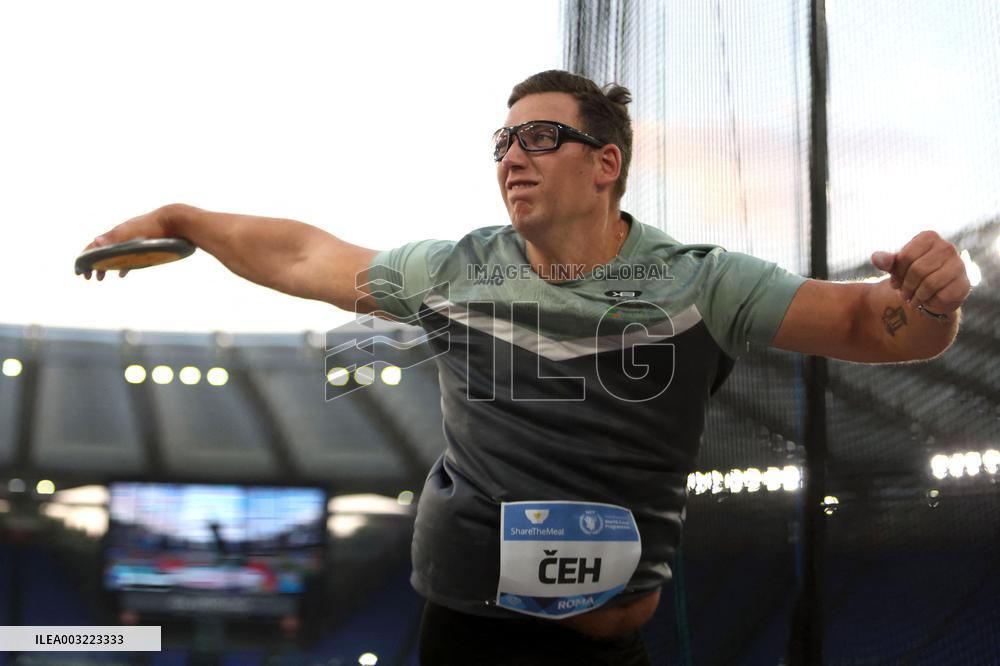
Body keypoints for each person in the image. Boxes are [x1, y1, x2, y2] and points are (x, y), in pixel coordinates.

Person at [80, 70, 970, 665]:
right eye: (502, 142)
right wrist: (185, 218)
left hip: (604, 644)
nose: (512, 156)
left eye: (540, 137)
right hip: (467, 633)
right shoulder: (455, 270)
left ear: (606, 164)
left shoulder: (702, 284)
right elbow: (307, 255)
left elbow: (877, 324)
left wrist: (933, 298)